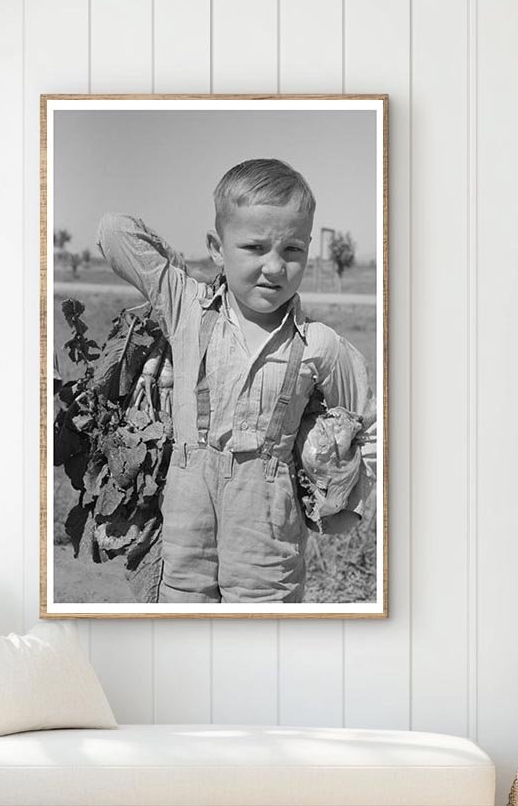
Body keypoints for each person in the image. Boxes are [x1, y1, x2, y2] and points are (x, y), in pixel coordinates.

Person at [95, 158, 376, 603]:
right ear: (216, 247)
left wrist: (346, 498)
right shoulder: (186, 305)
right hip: (188, 500)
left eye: (292, 250)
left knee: (263, 618)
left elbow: (366, 420)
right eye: (253, 247)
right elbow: (114, 231)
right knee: (184, 610)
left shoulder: (321, 344)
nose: (274, 267)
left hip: (266, 509)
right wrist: (185, 269)